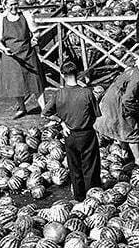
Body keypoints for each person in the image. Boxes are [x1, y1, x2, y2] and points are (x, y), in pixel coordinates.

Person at [43, 60, 102, 201]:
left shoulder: (59, 94)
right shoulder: (87, 93)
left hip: (69, 135)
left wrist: (61, 122)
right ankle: (92, 198)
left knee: (75, 168)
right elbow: (96, 115)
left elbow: (45, 113)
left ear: (62, 75)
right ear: (78, 74)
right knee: (91, 168)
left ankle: (79, 197)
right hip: (87, 134)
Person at [96, 51, 139, 166]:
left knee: (121, 125)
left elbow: (137, 93)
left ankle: (125, 152)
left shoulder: (135, 70)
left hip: (112, 98)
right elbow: (128, 99)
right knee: (132, 127)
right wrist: (137, 111)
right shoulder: (138, 78)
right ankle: (138, 159)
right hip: (118, 101)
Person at [0, 0, 46, 119]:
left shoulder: (26, 15)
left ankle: (44, 109)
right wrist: (4, 49)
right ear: (5, 5)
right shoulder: (1, 19)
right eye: (10, 5)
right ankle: (22, 108)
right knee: (16, 84)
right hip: (11, 55)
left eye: (15, 4)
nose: (14, 7)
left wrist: (35, 40)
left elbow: (36, 32)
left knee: (36, 82)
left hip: (27, 52)